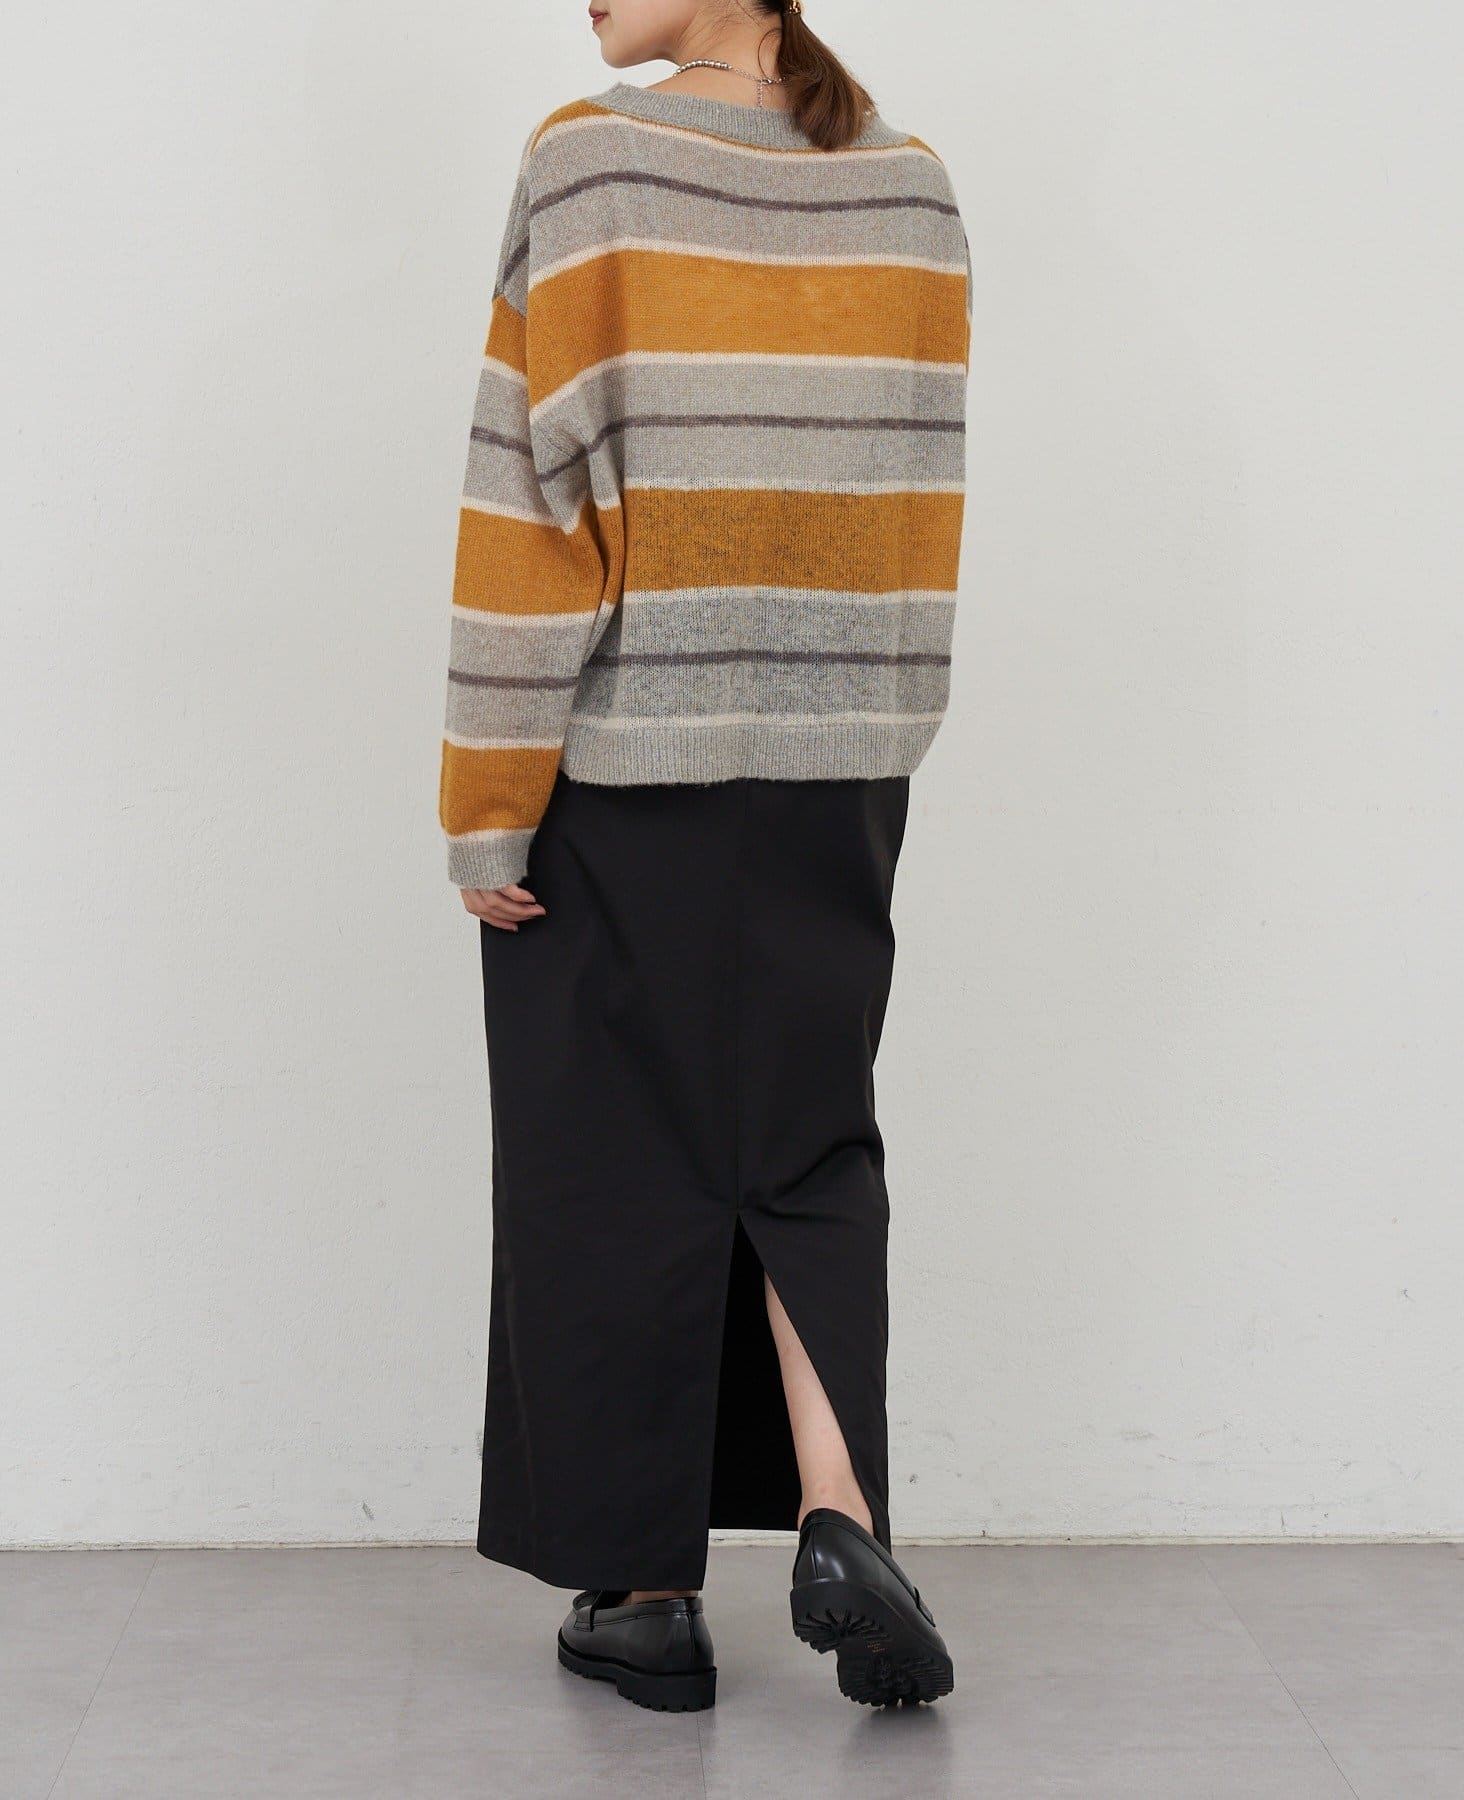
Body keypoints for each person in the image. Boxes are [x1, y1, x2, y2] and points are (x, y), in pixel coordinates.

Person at [437, 0, 971, 1713]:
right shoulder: (910, 183)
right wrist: (872, 723)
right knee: (808, 1145)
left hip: (625, 759)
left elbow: (532, 500)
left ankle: (648, 1598)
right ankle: (841, 1514)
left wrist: (487, 792)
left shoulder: (591, 160)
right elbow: (918, 488)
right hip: (842, 764)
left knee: (613, 1158)